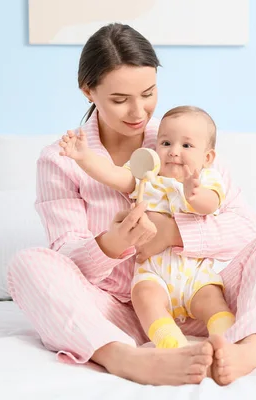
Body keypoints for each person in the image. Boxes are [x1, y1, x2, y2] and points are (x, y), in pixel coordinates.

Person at [7, 22, 256, 386]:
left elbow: (244, 227)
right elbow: (64, 255)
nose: (139, 112)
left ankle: (248, 349)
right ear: (88, 91)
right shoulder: (61, 160)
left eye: (148, 93)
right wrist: (112, 244)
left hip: (201, 297)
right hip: (117, 310)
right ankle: (126, 359)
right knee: (27, 264)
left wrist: (172, 231)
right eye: (120, 100)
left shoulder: (180, 137)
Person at [58, 105, 236, 349]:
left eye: (186, 146)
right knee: (143, 297)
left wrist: (193, 194)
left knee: (213, 300)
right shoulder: (147, 174)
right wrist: (84, 158)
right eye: (165, 143)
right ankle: (172, 346)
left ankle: (225, 342)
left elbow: (210, 204)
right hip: (152, 272)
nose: (174, 152)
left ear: (207, 157)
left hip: (195, 274)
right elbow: (114, 176)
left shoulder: (206, 179)